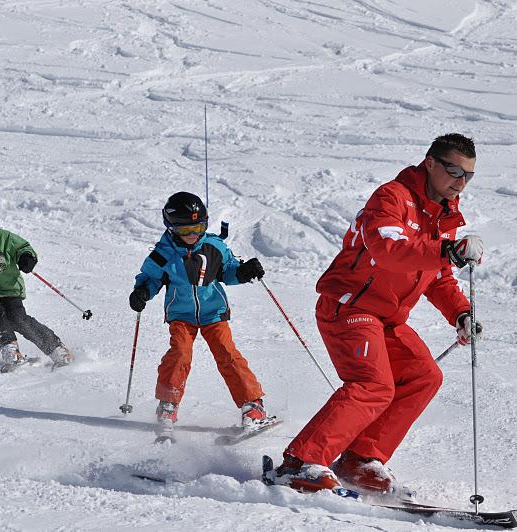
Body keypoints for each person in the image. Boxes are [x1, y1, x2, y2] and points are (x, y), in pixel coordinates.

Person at [267, 133, 484, 494]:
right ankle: (301, 463)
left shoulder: (444, 216)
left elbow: (437, 277)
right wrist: (446, 250)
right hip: (350, 307)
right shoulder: (391, 198)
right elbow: (388, 249)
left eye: (468, 176)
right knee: (373, 385)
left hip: (387, 319)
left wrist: (461, 312)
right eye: (453, 171)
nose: (460, 182)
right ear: (430, 163)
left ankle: (359, 459)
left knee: (424, 376)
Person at [129, 191, 270, 440]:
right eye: (185, 230)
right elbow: (150, 278)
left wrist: (245, 272)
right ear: (171, 228)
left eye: (198, 227)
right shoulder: (163, 254)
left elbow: (229, 271)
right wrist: (142, 292)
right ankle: (167, 406)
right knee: (180, 354)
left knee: (227, 354)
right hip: (181, 314)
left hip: (213, 312)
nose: (193, 235)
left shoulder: (214, 247)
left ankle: (253, 406)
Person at [0, 192, 73, 373]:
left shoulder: (5, 238)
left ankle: (56, 348)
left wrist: (26, 257)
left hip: (10, 289)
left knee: (18, 319)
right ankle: (10, 350)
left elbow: (23, 247)